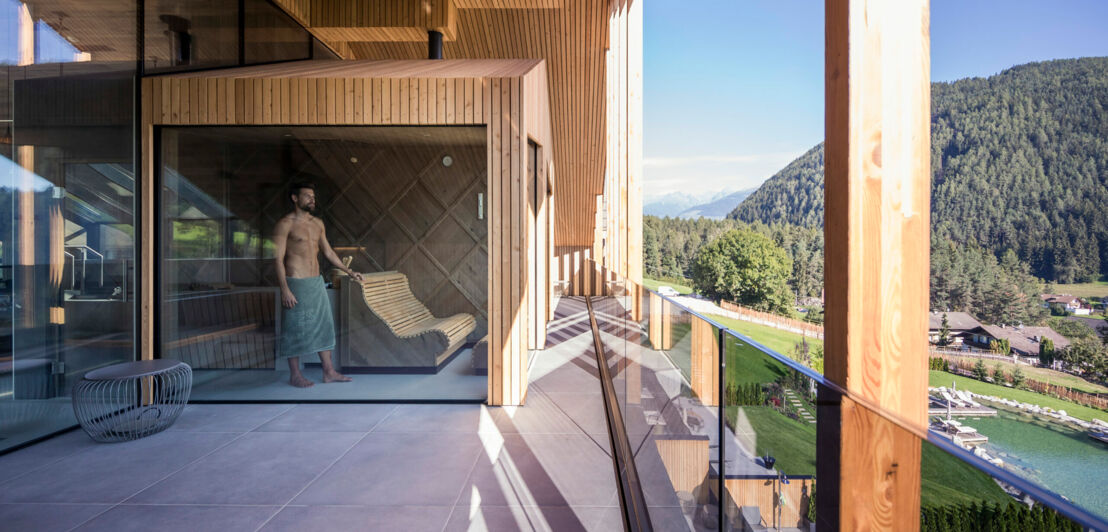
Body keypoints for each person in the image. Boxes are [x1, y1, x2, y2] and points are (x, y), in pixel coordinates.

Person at [273, 182, 363, 387]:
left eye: (313, 196)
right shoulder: (285, 224)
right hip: (296, 282)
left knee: (324, 326)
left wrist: (350, 271)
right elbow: (277, 259)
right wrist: (285, 289)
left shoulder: (317, 223)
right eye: (307, 196)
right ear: (295, 198)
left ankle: (328, 371)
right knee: (295, 328)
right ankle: (295, 375)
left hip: (316, 282)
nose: (312, 199)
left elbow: (328, 252)